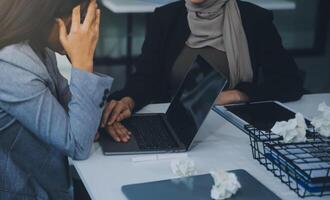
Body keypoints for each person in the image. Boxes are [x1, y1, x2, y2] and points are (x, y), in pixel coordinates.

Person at [102, 0, 304, 142]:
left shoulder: (254, 19)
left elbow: (290, 83)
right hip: (177, 127)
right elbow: (146, 78)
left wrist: (236, 94)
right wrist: (130, 99)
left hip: (233, 129)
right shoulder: (166, 17)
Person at [0, 0, 113, 199]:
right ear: (55, 19)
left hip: (49, 181)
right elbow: (78, 145)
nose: (85, 33)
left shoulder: (38, 49)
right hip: (28, 192)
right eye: (82, 21)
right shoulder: (10, 63)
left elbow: (71, 108)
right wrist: (83, 62)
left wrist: (102, 118)